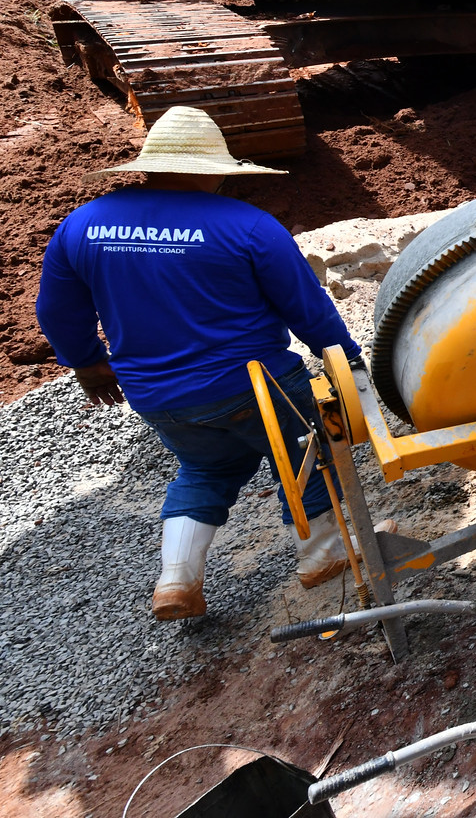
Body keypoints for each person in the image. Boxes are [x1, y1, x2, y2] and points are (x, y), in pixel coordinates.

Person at [34, 106, 361, 621]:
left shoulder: (83, 225)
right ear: (212, 168)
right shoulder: (248, 225)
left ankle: (176, 581)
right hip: (256, 384)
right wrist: (348, 360)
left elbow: (55, 309)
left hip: (158, 396)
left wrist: (87, 364)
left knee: (206, 467)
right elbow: (306, 306)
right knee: (309, 449)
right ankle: (323, 556)